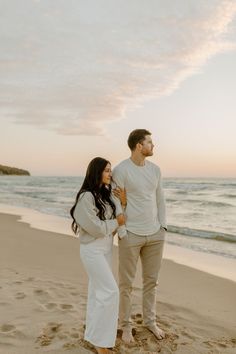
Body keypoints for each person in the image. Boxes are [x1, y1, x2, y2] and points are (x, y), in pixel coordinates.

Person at [112, 129, 167, 343]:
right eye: (150, 142)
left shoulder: (155, 170)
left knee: (151, 282)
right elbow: (117, 201)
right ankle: (125, 326)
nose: (153, 146)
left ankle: (150, 321)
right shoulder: (121, 170)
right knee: (126, 284)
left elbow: (160, 199)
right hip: (131, 235)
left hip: (155, 235)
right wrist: (123, 232)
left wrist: (163, 227)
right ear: (138, 145)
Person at [70, 157, 125, 354]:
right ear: (97, 172)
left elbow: (114, 221)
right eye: (107, 170)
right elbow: (96, 228)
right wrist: (116, 223)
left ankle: (95, 337)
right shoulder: (86, 196)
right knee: (110, 292)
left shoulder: (104, 195)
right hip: (92, 250)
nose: (111, 174)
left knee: (97, 293)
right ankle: (102, 344)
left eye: (110, 170)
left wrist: (122, 203)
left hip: (106, 248)